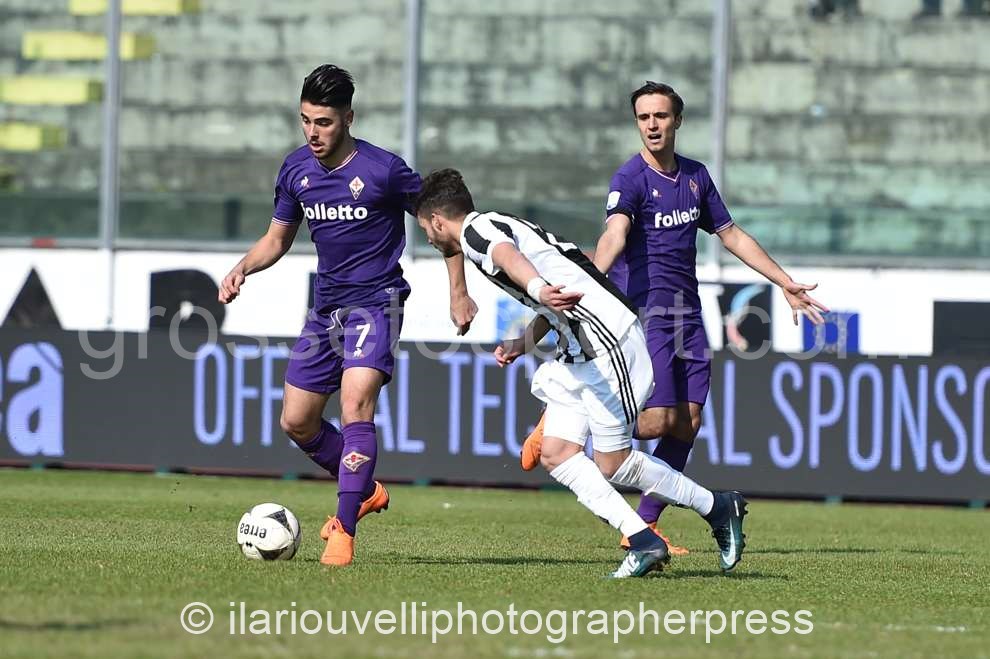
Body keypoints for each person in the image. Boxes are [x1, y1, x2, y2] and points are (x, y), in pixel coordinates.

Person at [520, 81, 828, 554]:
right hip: (646, 314)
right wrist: (593, 278)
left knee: (688, 422)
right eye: (643, 117)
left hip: (688, 313)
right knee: (657, 421)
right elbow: (615, 232)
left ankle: (646, 522)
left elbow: (730, 233)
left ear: (677, 120)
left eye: (660, 116)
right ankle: (563, 418)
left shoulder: (695, 177)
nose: (652, 125)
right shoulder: (630, 178)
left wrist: (783, 281)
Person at [413, 168, 749, 577]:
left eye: (425, 229)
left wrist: (536, 289)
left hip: (608, 343)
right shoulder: (497, 222)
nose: (428, 239)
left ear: (437, 221)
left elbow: (507, 257)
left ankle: (717, 506)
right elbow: (562, 286)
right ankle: (643, 540)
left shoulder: (476, 233)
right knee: (556, 453)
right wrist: (524, 341)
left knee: (614, 463)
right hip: (578, 350)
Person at [218, 65, 477, 567]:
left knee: (356, 404)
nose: (313, 133)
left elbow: (443, 225)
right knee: (296, 421)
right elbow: (277, 238)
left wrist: (458, 293)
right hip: (326, 311)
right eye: (305, 121)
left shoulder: (384, 171)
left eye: (324, 122)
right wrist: (242, 268)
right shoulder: (296, 170)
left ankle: (344, 528)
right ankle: (365, 488)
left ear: (348, 119)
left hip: (377, 303)